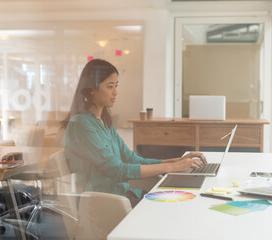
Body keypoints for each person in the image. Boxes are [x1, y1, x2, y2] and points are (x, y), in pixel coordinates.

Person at [62, 59, 207, 207]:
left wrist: (177, 161)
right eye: (110, 86)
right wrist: (171, 168)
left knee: (184, 200)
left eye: (116, 86)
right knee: (175, 206)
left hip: (123, 194)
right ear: (92, 89)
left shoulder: (103, 122)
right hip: (105, 203)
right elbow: (117, 170)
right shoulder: (81, 124)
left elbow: (132, 159)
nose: (115, 92)